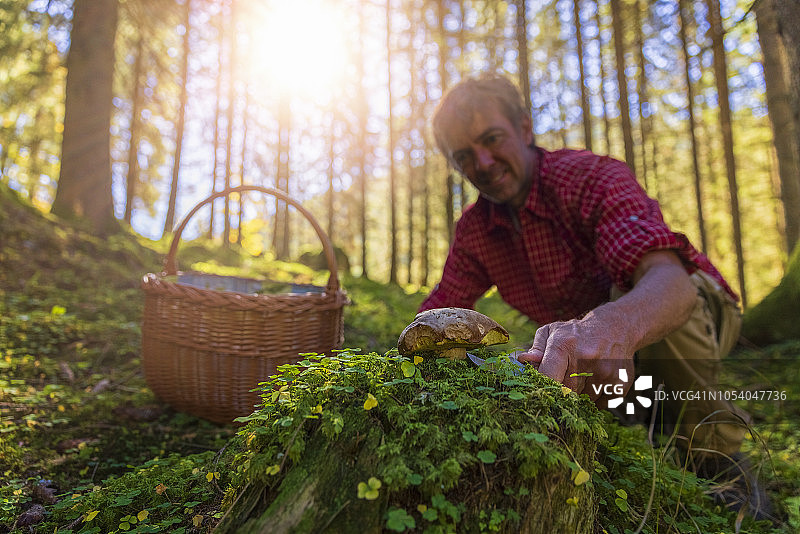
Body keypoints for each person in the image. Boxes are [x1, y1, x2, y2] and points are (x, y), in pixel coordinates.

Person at [419, 74, 770, 518]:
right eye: (464, 156)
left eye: (492, 139)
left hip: (697, 311)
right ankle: (644, 407)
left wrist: (611, 325)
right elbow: (439, 309)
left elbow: (669, 281)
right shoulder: (475, 230)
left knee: (630, 290)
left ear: (525, 129)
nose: (484, 162)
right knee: (552, 352)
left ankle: (717, 458)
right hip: (606, 345)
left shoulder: (590, 177)